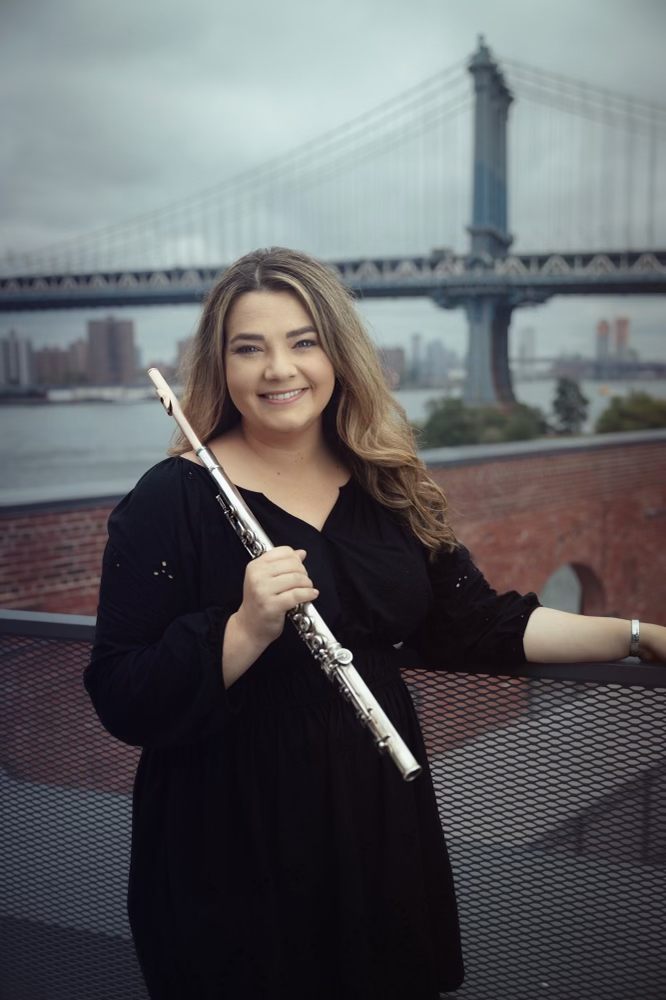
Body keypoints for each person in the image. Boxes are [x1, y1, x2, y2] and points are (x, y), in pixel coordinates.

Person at [84, 246, 666, 1000]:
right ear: (218, 367)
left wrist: (639, 637)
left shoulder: (385, 482)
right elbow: (119, 690)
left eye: (303, 341)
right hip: (230, 837)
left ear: (338, 352)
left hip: (374, 818)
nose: (279, 370)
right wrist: (244, 628)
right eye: (248, 348)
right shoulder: (169, 500)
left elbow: (478, 625)